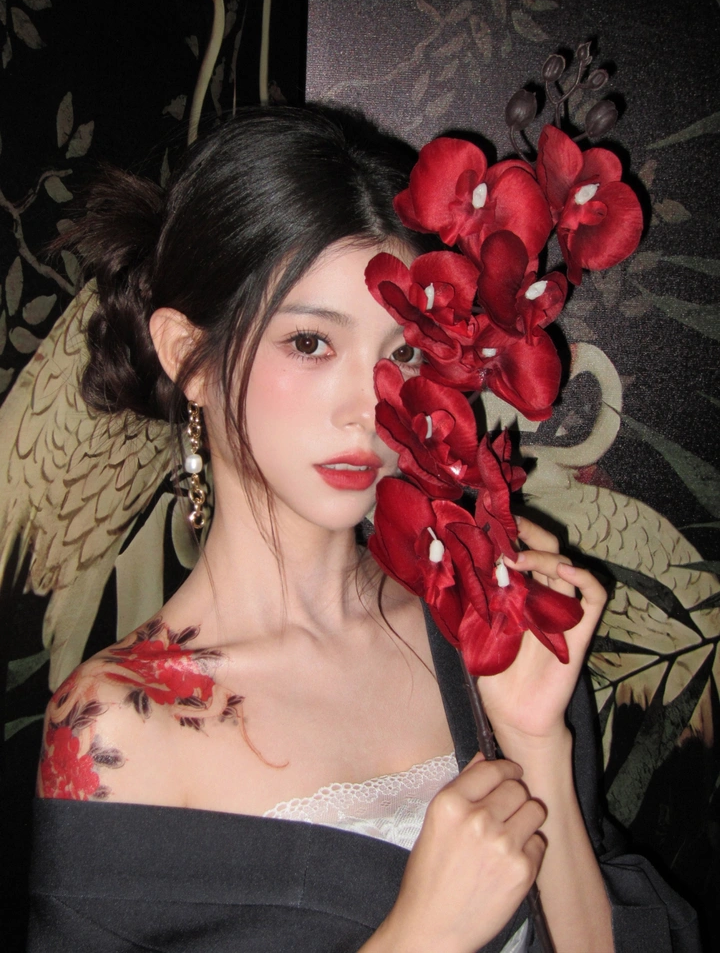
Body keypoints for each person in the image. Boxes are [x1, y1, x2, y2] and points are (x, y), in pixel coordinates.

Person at [28, 106, 699, 953]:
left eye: (404, 351)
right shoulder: (113, 731)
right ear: (187, 356)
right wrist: (421, 935)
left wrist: (536, 741)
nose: (369, 406)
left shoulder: (468, 626)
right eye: (311, 342)